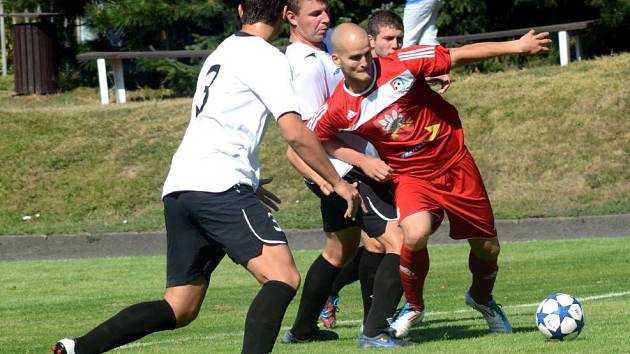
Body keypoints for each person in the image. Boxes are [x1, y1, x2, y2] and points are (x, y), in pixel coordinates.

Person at [50, 2, 361, 354]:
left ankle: (78, 348)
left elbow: (218, 122)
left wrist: (248, 180)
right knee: (282, 277)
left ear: (242, 9)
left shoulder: (221, 52)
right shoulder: (267, 56)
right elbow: (295, 132)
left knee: (180, 306)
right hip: (219, 185)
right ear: (283, 13)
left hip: (183, 186)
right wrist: (336, 182)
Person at [308, 23, 552, 340]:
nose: (364, 63)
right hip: (411, 176)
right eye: (355, 58)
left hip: (455, 164)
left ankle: (481, 298)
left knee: (488, 248)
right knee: (414, 232)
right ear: (336, 60)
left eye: (367, 55)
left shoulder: (403, 63)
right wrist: (364, 161)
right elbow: (315, 138)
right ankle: (413, 305)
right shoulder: (340, 107)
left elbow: (459, 55)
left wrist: (516, 46)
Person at [281, 1, 412, 348]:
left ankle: (302, 329)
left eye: (325, 11)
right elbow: (309, 135)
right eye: (315, 14)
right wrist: (345, 175)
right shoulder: (307, 65)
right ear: (290, 18)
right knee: (398, 241)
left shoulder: (323, 52)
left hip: (342, 170)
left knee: (340, 250)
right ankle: (375, 330)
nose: (325, 19)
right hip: (344, 171)